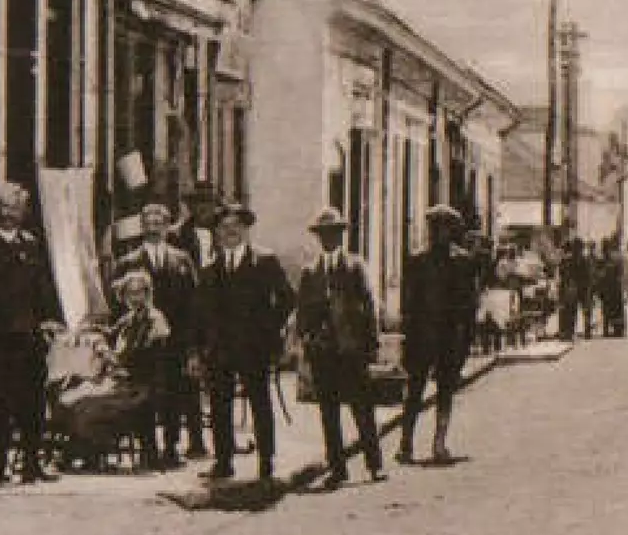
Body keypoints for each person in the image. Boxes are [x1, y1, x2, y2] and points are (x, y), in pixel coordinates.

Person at [0, 183, 66, 484]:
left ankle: (32, 463)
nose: (10, 214)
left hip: (29, 338)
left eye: (16, 208)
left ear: (23, 212)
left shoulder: (30, 245)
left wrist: (50, 320)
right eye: (5, 208)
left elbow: (43, 289)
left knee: (32, 403)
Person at [196, 202, 294, 485]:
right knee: (219, 406)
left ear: (246, 230)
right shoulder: (210, 269)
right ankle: (224, 462)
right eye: (224, 227)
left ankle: (266, 462)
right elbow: (199, 312)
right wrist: (200, 347)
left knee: (260, 403)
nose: (231, 232)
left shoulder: (264, 262)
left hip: (254, 348)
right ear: (217, 233)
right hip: (220, 350)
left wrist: (269, 330)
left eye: (236, 226)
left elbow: (287, 298)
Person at [295, 207, 385, 490]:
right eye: (324, 234)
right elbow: (303, 312)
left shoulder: (355, 267)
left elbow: (369, 307)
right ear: (318, 238)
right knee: (328, 412)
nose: (329, 239)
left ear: (342, 236)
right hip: (324, 353)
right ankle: (337, 467)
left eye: (334, 233)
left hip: (352, 350)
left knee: (362, 409)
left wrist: (371, 344)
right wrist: (306, 341)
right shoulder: (311, 272)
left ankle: (374, 464)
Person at [50, 269, 163, 471]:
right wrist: (89, 332)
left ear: (148, 294)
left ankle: (86, 453)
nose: (134, 298)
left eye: (139, 293)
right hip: (120, 382)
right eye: (129, 293)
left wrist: (112, 358)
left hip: (139, 386)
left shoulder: (154, 321)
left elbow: (143, 357)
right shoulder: (129, 319)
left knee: (87, 405)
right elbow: (110, 334)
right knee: (69, 397)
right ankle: (84, 452)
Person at [123, 202, 206, 465]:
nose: (154, 228)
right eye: (148, 224)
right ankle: (148, 448)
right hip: (142, 344)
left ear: (168, 227)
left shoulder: (181, 260)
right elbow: (118, 304)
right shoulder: (130, 261)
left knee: (174, 394)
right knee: (144, 396)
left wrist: (193, 343)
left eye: (159, 223)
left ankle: (171, 447)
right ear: (142, 228)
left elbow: (195, 303)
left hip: (176, 341)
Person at [399, 205, 476, 466]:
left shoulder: (463, 262)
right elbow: (408, 304)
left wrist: (467, 340)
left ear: (450, 231)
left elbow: (469, 304)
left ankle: (439, 443)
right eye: (434, 228)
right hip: (422, 336)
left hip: (449, 337)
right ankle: (405, 443)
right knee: (414, 392)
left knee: (445, 391)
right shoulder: (417, 261)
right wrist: (407, 338)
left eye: (443, 228)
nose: (437, 233)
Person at [594, 239, 627, 338]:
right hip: (613, 288)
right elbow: (621, 274)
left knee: (608, 309)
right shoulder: (615, 259)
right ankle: (615, 329)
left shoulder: (602, 260)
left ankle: (610, 329)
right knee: (613, 309)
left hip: (609, 288)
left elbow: (598, 274)